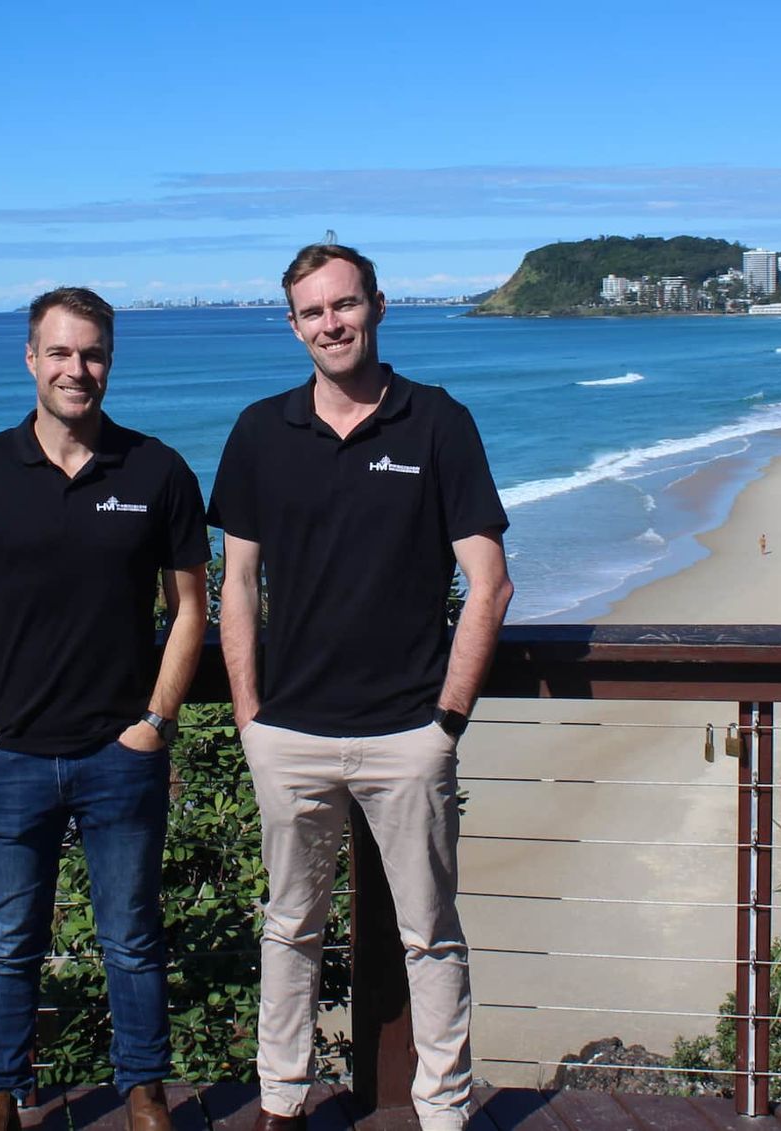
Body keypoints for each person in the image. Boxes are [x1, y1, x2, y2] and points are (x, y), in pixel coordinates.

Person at [209, 244, 513, 1131]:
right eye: (313, 312)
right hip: (291, 734)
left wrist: (445, 720)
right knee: (289, 929)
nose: (331, 323)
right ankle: (282, 1104)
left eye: (344, 305)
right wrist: (249, 714)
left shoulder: (436, 422)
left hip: (405, 735)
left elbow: (488, 581)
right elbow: (237, 582)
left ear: (377, 307)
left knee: (431, 934)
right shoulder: (261, 431)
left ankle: (444, 1110)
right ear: (294, 325)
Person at [0, 287, 210, 1131]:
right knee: (10, 942)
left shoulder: (157, 470)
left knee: (132, 936)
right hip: (8, 755)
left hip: (121, 753)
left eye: (93, 354)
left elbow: (192, 604)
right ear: (32, 360)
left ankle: (145, 1089)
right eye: (61, 353)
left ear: (110, 360)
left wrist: (155, 720)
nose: (78, 370)